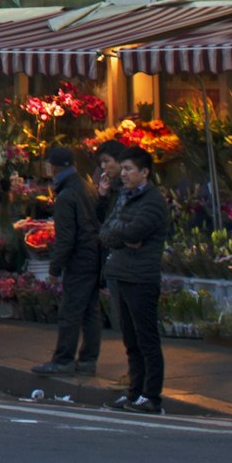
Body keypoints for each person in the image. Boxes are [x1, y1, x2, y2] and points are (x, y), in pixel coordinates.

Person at [98, 151, 171, 413]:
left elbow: (135, 231)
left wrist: (121, 234)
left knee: (146, 338)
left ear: (145, 172)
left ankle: (151, 396)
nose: (125, 173)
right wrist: (122, 236)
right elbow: (105, 231)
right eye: (124, 168)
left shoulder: (152, 201)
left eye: (129, 169)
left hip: (141, 276)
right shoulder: (123, 197)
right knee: (130, 340)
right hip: (119, 272)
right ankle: (135, 392)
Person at [45, 148, 107, 372]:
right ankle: (89, 359)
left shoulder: (66, 196)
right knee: (90, 310)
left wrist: (55, 267)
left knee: (70, 310)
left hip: (79, 259)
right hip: (93, 256)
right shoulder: (87, 187)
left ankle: (63, 359)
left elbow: (66, 237)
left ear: (53, 167)